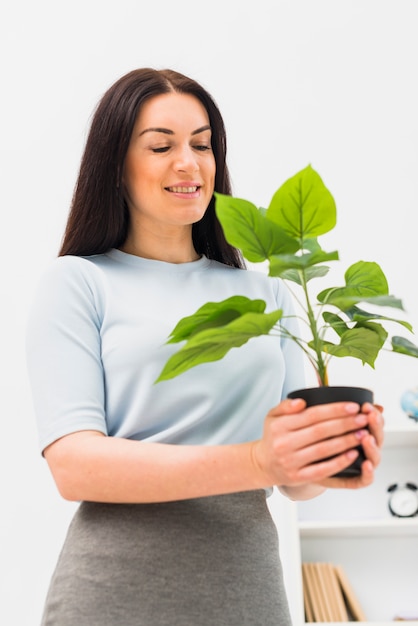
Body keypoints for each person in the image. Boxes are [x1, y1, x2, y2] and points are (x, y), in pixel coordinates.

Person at [26, 68, 384, 626]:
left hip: (248, 585)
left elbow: (296, 485)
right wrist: (254, 460)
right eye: (161, 145)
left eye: (202, 144)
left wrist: (333, 457)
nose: (188, 162)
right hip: (113, 589)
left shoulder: (271, 294)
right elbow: (74, 465)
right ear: (115, 165)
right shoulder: (78, 282)